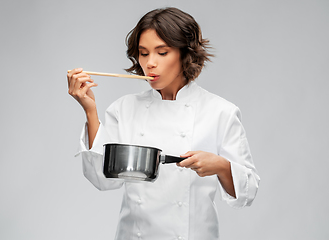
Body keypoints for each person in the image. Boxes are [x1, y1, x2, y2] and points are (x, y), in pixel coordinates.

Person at [67, 7, 260, 240]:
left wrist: (220, 165)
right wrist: (90, 110)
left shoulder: (220, 112)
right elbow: (102, 179)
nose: (150, 63)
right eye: (144, 53)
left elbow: (247, 192)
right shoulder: (124, 109)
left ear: (185, 54)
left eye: (162, 52)